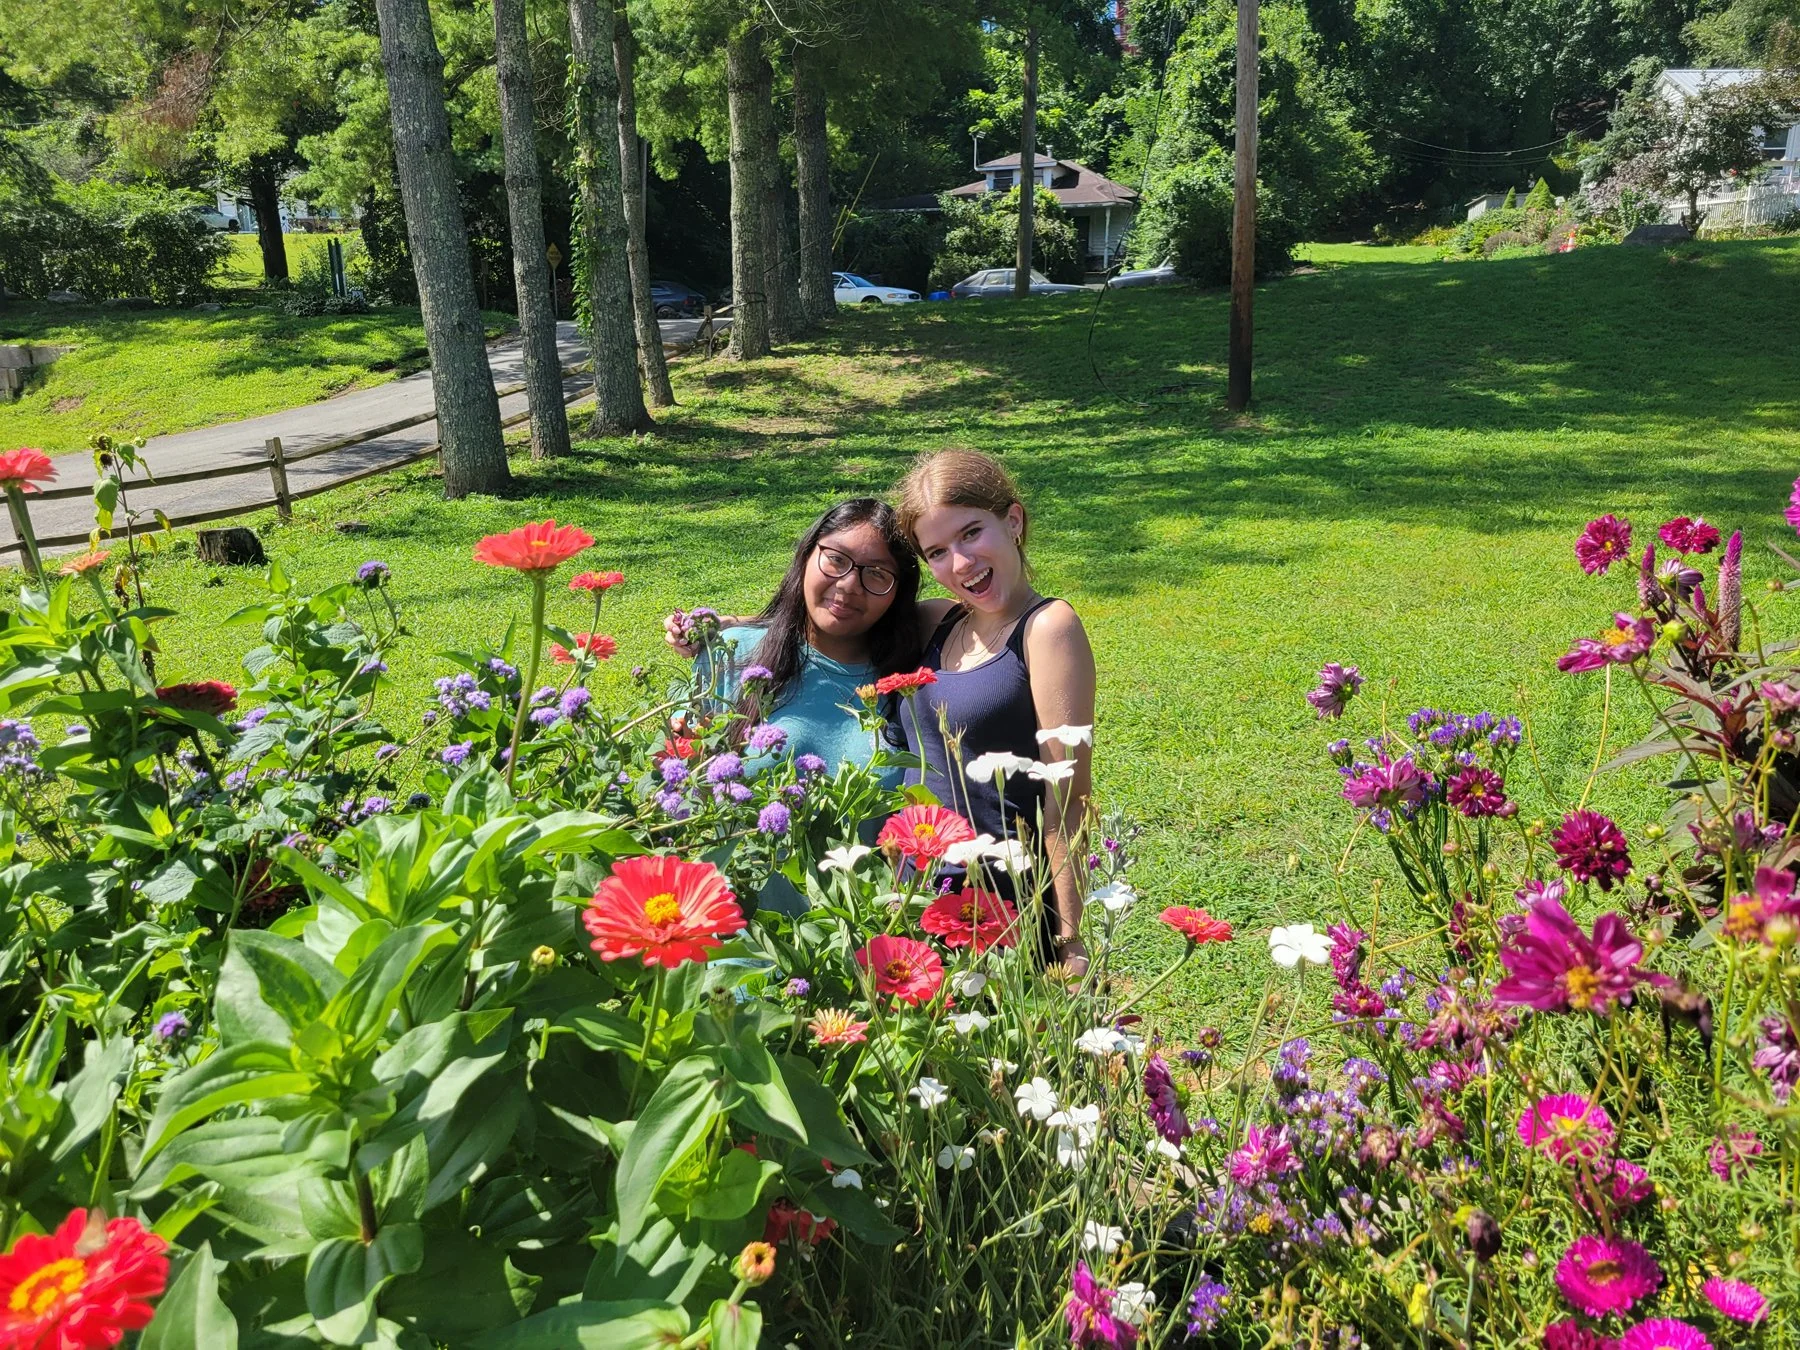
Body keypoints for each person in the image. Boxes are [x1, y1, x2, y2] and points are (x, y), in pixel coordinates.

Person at [893, 450, 1097, 971]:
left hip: (1006, 909)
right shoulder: (937, 622)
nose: (960, 564)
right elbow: (829, 624)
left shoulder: (1048, 627)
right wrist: (724, 630)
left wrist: (1070, 946)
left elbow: (1067, 798)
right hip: (916, 899)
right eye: (936, 551)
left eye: (970, 533)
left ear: (1012, 521)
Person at [664, 497, 921, 786]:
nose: (848, 585)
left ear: (898, 591)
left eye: (877, 574)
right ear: (806, 556)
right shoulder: (731, 655)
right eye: (836, 559)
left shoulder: (911, 681)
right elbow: (674, 782)